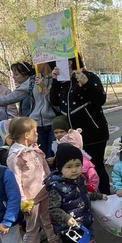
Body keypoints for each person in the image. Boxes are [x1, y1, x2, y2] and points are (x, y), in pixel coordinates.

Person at [45, 143, 105, 243]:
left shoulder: (79, 179)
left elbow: (85, 195)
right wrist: (66, 219)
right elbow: (53, 209)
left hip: (82, 221)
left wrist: (98, 196)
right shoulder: (56, 187)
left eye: (78, 165)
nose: (74, 170)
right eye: (69, 167)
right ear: (60, 168)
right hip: (68, 227)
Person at [49, 55, 110, 194]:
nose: (56, 66)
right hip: (73, 137)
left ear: (69, 62)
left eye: (58, 62)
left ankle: (106, 196)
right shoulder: (62, 81)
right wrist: (55, 81)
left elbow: (100, 99)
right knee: (78, 169)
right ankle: (84, 198)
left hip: (94, 133)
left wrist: (87, 83)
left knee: (96, 167)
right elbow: (54, 101)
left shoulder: (89, 76)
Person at [7, 116, 62, 243]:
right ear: (26, 135)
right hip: (30, 199)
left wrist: (51, 184)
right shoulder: (16, 157)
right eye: (35, 132)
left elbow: (46, 170)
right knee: (32, 227)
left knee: (49, 220)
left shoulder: (36, 150)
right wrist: (23, 200)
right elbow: (15, 180)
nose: (37, 134)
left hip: (45, 192)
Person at [0, 61, 57, 157]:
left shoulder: (57, 78)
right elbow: (11, 97)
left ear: (44, 61)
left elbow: (56, 102)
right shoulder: (32, 80)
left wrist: (44, 87)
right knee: (38, 156)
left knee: (53, 156)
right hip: (36, 126)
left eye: (36, 61)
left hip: (53, 124)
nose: (33, 65)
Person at [58, 128, 101, 243]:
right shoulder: (59, 179)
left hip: (83, 201)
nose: (74, 169)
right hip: (70, 207)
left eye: (77, 166)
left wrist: (92, 189)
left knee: (87, 222)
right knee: (75, 225)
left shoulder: (83, 162)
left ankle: (90, 240)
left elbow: (93, 176)